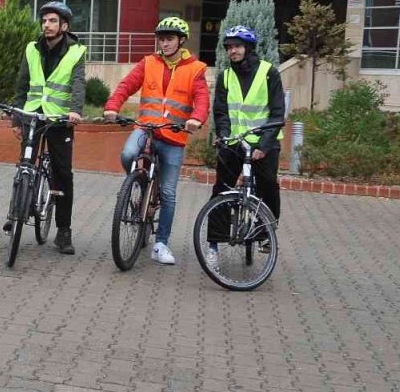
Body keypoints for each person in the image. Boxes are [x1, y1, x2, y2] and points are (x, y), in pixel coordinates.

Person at [103, 17, 209, 265]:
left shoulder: (196, 69)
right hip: (146, 128)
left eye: (170, 38)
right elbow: (126, 85)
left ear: (181, 40)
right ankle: (137, 183)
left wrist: (196, 119)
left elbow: (202, 99)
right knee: (128, 155)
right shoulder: (148, 62)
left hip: (174, 135)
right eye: (161, 38)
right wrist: (112, 106)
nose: (165, 43)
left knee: (169, 193)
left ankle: (161, 244)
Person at [9, 1, 86, 255]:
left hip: (60, 120)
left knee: (62, 174)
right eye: (44, 21)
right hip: (32, 115)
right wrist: (16, 118)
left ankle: (64, 231)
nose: (47, 25)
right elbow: (22, 84)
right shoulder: (32, 49)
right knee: (25, 164)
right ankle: (16, 210)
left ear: (64, 26)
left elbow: (77, 84)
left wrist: (75, 110)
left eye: (52, 21)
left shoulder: (76, 52)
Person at [206, 25, 286, 268]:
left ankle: (266, 233)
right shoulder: (226, 76)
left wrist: (264, 144)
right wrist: (222, 135)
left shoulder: (269, 73)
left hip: (263, 143)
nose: (233, 51)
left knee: (268, 185)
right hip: (234, 142)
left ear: (248, 47)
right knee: (221, 190)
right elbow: (220, 111)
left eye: (237, 46)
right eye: (229, 47)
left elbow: (277, 112)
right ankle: (213, 244)